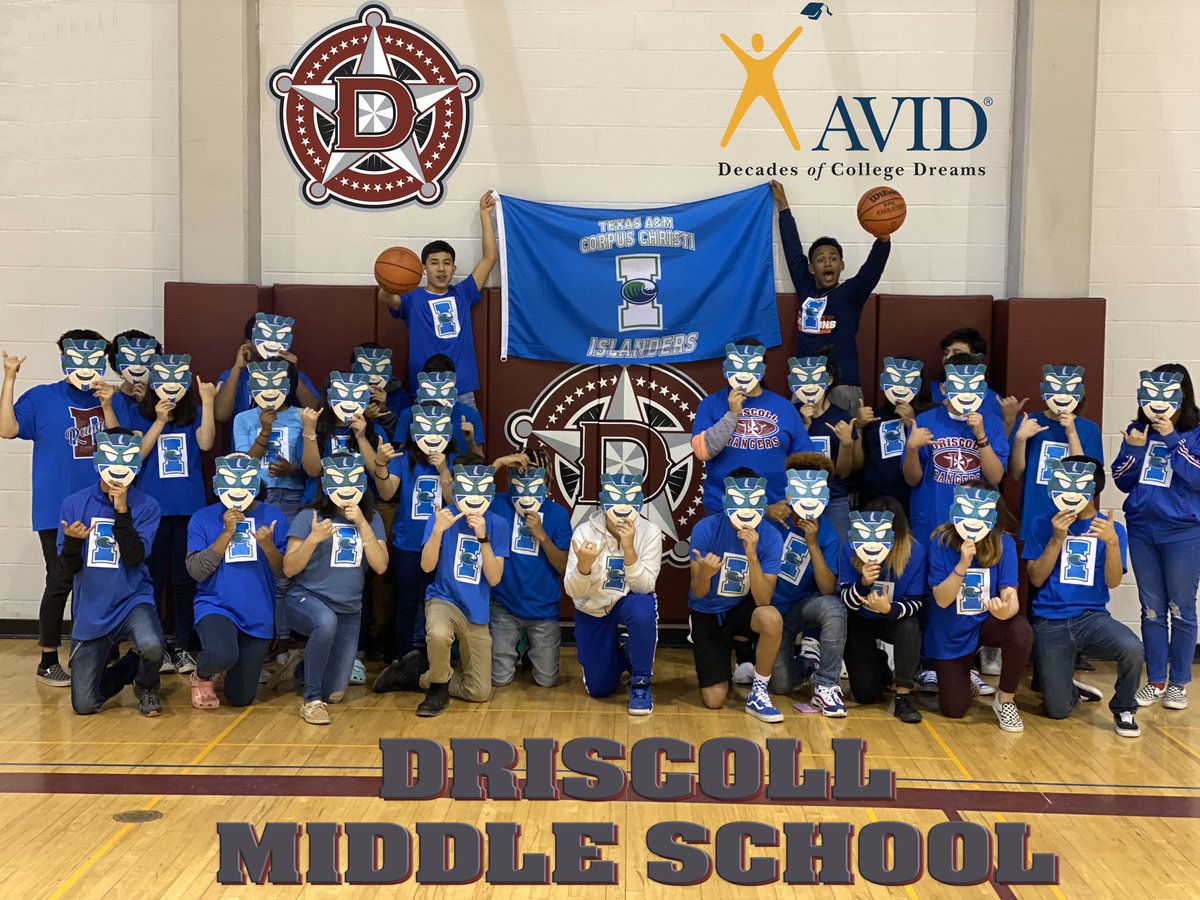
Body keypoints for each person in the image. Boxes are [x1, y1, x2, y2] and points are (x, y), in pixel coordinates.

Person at [1, 333, 124, 685]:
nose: (85, 367)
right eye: (77, 359)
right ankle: (48, 659)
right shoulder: (42, 398)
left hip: (103, 505)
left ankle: (104, 652)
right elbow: (6, 429)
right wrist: (10, 378)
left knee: (103, 579)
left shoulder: (109, 397)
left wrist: (110, 406)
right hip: (56, 508)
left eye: (93, 359)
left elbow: (121, 443)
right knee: (60, 581)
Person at [1025, 457, 1143, 737]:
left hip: (1092, 617)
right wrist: (1057, 538)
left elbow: (1113, 582)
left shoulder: (1112, 529)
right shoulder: (1042, 523)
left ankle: (1124, 708)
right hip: (1049, 620)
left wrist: (1112, 543)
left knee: (1133, 648)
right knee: (1056, 711)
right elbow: (1035, 578)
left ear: (1093, 489)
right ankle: (1068, 687)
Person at [118, 354, 216, 675]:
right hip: (152, 512)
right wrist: (159, 420)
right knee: (156, 580)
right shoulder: (138, 415)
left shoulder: (195, 414)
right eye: (164, 381)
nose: (170, 387)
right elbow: (137, 455)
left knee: (185, 580)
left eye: (177, 381)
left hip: (189, 510)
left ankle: (184, 647)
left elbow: (206, 443)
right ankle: (158, 647)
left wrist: (208, 402)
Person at [393, 455, 511, 717]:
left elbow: (494, 578)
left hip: (476, 610)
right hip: (443, 599)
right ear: (456, 486)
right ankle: (437, 689)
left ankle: (418, 676)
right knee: (437, 633)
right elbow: (426, 566)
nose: (473, 495)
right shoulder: (442, 517)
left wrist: (483, 538)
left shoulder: (498, 524)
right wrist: (437, 531)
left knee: (479, 692)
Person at [1112, 364, 1200, 711]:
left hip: (1183, 532)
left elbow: (1195, 479)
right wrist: (1133, 451)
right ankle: (1156, 680)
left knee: (1181, 608)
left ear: (1182, 395)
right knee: (1151, 609)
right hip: (1142, 529)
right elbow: (1120, 480)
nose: (1159, 402)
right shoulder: (1138, 430)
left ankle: (1178, 682)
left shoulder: (1195, 432)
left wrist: (1171, 439)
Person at [58, 430, 164, 716]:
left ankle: (147, 683)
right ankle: (131, 664)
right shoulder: (74, 504)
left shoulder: (148, 506)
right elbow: (68, 569)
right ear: (98, 461)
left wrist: (122, 512)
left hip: (132, 601)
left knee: (153, 647)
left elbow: (133, 558)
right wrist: (72, 543)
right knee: (84, 704)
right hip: (92, 608)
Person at [280, 453, 388, 725]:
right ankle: (311, 700)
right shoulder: (309, 517)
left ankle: (303, 667)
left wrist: (362, 523)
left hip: (349, 611)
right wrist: (314, 539)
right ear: (327, 485)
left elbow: (380, 565)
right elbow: (289, 568)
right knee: (325, 622)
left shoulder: (371, 519)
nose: (345, 488)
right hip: (306, 599)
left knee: (336, 694)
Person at [771, 178, 891, 413]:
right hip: (806, 383)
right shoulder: (806, 288)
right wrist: (783, 207)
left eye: (833, 258)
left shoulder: (851, 293)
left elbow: (872, 269)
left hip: (844, 385)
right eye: (820, 258)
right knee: (804, 448)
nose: (828, 262)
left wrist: (883, 240)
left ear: (842, 265)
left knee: (848, 445)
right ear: (811, 268)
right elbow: (793, 251)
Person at [377, 193, 499, 408]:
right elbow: (385, 297)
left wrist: (484, 216)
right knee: (425, 441)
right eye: (434, 262)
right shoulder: (411, 299)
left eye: (446, 262)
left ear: (454, 268)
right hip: (424, 388)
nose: (441, 268)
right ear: (423, 268)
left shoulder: (463, 293)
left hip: (461, 387)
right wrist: (390, 278)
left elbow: (490, 258)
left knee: (469, 440)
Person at [926, 483, 1031, 731]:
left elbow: (1010, 596)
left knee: (1020, 630)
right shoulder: (941, 541)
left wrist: (1004, 610)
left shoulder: (1003, 543)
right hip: (951, 630)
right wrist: (962, 563)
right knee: (954, 710)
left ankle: (1005, 700)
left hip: (986, 622)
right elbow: (942, 599)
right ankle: (964, 678)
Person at [186, 455, 288, 709]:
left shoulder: (274, 516)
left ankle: (225, 668)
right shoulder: (202, 518)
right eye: (230, 481)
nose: (237, 489)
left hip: (258, 613)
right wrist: (227, 532)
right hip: (216, 606)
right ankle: (203, 674)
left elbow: (283, 571)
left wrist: (268, 546)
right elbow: (197, 571)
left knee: (240, 698)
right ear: (218, 483)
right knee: (222, 654)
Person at [688, 470, 786, 722]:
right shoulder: (705, 529)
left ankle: (759, 692)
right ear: (725, 500)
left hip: (744, 607)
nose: (745, 508)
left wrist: (752, 555)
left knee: (771, 618)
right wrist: (705, 575)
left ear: (762, 503)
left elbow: (764, 600)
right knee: (714, 701)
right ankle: (725, 659)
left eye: (753, 500)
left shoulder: (771, 535)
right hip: (708, 610)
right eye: (738, 499)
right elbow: (697, 593)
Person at [369, 403, 458, 679]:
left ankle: (437, 659)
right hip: (408, 542)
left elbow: (455, 500)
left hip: (442, 543)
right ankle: (402, 658)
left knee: (437, 601)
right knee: (407, 601)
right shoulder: (402, 458)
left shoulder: (453, 459)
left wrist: (443, 469)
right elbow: (386, 492)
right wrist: (380, 464)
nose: (432, 435)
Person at [564, 473, 663, 714]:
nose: (622, 505)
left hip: (629, 602)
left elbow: (645, 586)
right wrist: (583, 567)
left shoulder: (649, 531)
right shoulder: (584, 532)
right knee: (600, 689)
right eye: (615, 497)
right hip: (593, 608)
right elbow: (572, 591)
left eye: (629, 498)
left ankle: (641, 682)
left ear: (640, 500)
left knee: (643, 608)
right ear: (602, 500)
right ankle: (623, 649)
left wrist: (629, 548)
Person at [692, 340, 815, 520]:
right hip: (721, 507)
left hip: (775, 508)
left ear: (762, 368)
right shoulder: (710, 404)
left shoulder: (784, 407)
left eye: (751, 365)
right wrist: (732, 414)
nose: (743, 371)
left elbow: (805, 460)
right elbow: (703, 451)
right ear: (726, 367)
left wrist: (795, 501)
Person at [233, 359, 307, 656]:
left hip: (292, 500)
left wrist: (293, 470)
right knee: (256, 572)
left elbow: (313, 467)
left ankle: (284, 640)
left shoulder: (302, 417)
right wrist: (264, 431)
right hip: (255, 501)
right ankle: (261, 639)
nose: (270, 389)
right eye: (262, 383)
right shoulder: (244, 419)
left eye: (277, 383)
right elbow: (241, 466)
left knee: (285, 574)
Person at [768, 456, 847, 716]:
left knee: (833, 607)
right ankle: (807, 663)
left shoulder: (826, 533)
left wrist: (812, 544)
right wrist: (766, 510)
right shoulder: (774, 518)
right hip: (770, 612)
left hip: (802, 609)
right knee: (780, 686)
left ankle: (826, 686)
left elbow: (827, 589)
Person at [904, 354, 1010, 546]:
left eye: (974, 385)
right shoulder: (925, 421)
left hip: (976, 522)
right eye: (959, 384)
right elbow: (911, 479)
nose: (967, 393)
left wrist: (981, 436)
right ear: (944, 388)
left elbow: (995, 477)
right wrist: (911, 449)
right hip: (931, 519)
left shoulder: (992, 422)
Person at [839, 500, 927, 724]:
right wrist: (862, 584)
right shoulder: (850, 548)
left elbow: (916, 602)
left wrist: (889, 608)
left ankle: (903, 696)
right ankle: (879, 661)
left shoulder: (914, 552)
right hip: (860, 620)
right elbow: (846, 603)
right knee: (866, 695)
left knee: (911, 626)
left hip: (893, 619)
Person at [486, 456, 571, 689]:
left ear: (547, 482)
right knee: (498, 679)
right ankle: (518, 650)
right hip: (504, 605)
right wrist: (500, 462)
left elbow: (563, 567)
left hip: (543, 610)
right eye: (518, 480)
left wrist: (543, 536)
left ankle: (528, 652)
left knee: (547, 681)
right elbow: (475, 490)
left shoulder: (558, 514)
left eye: (533, 482)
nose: (525, 490)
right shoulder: (500, 504)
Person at [1009, 365, 1104, 542]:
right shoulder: (1030, 422)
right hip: (1036, 513)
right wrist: (1020, 439)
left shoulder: (1089, 429)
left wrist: (1071, 433)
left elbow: (1091, 477)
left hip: (1075, 515)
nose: (1061, 396)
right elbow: (1015, 474)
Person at [787, 354, 859, 540]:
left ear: (828, 380)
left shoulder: (841, 417)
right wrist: (803, 428)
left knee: (837, 556)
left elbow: (843, 472)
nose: (810, 385)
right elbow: (782, 461)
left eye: (816, 377)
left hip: (833, 499)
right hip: (795, 500)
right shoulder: (789, 414)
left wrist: (846, 444)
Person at [213, 313, 320, 424]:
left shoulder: (299, 376)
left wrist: (292, 372)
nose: (273, 343)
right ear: (248, 343)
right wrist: (237, 368)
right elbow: (220, 415)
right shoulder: (232, 376)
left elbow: (316, 412)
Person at [856, 357, 928, 513]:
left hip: (909, 497)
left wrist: (911, 423)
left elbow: (930, 455)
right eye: (895, 379)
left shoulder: (927, 417)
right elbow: (858, 463)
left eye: (908, 380)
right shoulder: (874, 416)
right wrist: (859, 427)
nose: (901, 387)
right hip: (873, 497)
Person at [392, 355, 485, 456]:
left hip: (456, 469)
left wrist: (470, 442)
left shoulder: (470, 415)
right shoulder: (409, 414)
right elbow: (401, 455)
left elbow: (479, 459)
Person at [107, 329, 160, 416]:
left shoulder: (164, 397)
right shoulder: (112, 398)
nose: (138, 367)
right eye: (130, 359)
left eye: (145, 359)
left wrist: (147, 402)